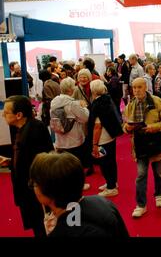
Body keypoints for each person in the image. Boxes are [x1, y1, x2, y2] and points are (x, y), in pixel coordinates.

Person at [29, 152, 129, 237]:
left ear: (49, 192)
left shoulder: (63, 232)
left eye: (35, 183)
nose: (33, 187)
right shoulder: (102, 201)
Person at [1, 95, 53, 237]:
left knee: (43, 225)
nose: (2, 115)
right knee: (38, 225)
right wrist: (11, 162)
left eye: (6, 112)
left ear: (18, 115)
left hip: (36, 191)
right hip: (29, 190)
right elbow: (27, 159)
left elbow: (42, 161)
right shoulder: (25, 128)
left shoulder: (34, 129)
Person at [123, 78, 161, 218]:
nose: (136, 90)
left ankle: (159, 194)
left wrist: (154, 127)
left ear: (145, 87)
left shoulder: (157, 102)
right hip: (139, 146)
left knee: (159, 172)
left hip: (156, 142)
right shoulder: (130, 105)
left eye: (139, 87)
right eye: (134, 88)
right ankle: (141, 205)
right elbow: (125, 125)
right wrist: (127, 128)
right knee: (140, 175)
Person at [50, 77, 90, 190]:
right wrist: (84, 107)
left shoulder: (54, 102)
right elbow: (85, 118)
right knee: (76, 165)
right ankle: (79, 185)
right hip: (74, 140)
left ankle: (65, 185)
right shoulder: (73, 104)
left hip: (59, 139)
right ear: (70, 89)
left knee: (63, 166)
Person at [89, 80, 124, 197]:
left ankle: (111, 187)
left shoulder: (97, 104)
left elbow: (97, 126)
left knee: (104, 163)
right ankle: (112, 182)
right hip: (111, 136)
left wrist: (94, 144)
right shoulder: (107, 99)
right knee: (111, 161)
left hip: (102, 139)